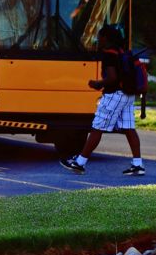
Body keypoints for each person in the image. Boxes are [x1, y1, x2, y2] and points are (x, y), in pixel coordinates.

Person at [60, 25, 145, 175]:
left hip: (114, 95)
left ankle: (79, 162)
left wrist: (98, 83)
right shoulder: (124, 52)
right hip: (128, 95)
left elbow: (112, 78)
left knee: (97, 128)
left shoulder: (109, 55)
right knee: (129, 128)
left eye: (99, 37)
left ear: (106, 39)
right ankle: (137, 164)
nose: (97, 40)